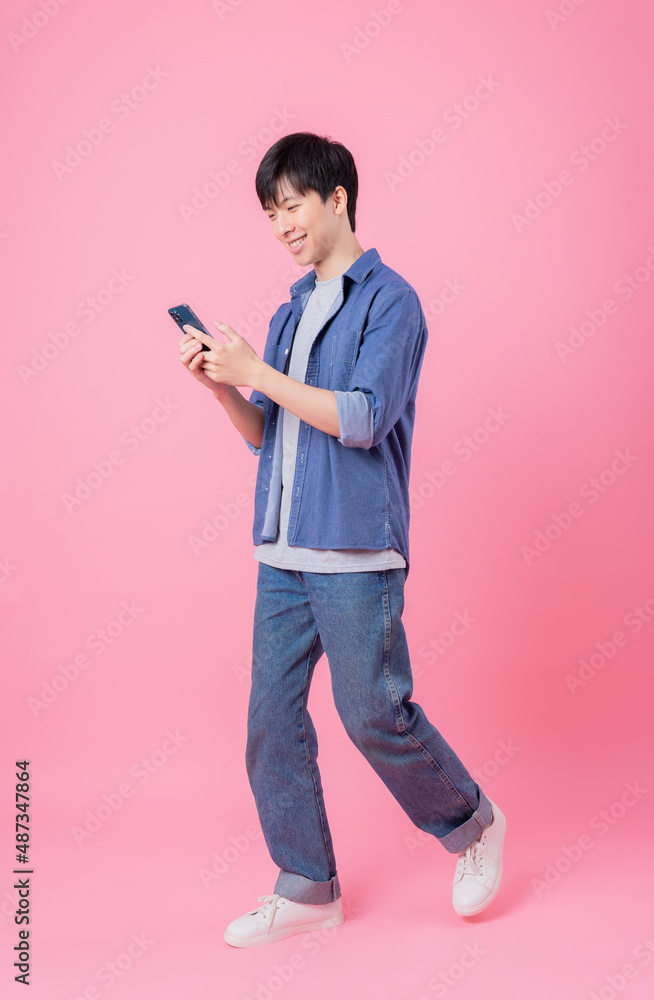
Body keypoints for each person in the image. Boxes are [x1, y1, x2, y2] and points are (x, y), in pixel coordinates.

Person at [178, 131, 506, 948]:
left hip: (356, 549)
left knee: (373, 716)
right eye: (269, 211)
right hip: (284, 551)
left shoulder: (391, 300)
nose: (281, 223)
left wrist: (257, 371)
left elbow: (361, 418)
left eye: (291, 203)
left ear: (337, 198)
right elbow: (272, 436)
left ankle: (474, 825)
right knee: (270, 724)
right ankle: (308, 887)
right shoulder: (289, 313)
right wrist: (226, 387)